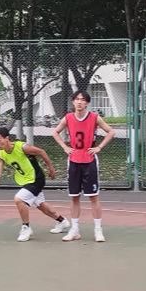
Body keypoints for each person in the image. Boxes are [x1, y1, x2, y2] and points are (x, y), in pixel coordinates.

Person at [0, 127, 68, 242]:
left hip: (36, 179)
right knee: (41, 205)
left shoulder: (22, 147)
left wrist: (51, 168)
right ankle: (62, 221)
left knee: (19, 199)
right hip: (26, 181)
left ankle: (26, 227)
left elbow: (41, 152)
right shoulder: (1, 153)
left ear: (7, 138)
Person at [52, 90, 115, 242]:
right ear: (73, 101)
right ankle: (75, 230)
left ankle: (98, 230)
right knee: (74, 197)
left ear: (87, 103)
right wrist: (65, 147)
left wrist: (99, 147)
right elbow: (55, 132)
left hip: (89, 160)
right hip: (74, 160)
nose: (79, 102)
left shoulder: (94, 117)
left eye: (82, 99)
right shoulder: (68, 117)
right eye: (77, 99)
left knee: (93, 197)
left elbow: (111, 132)